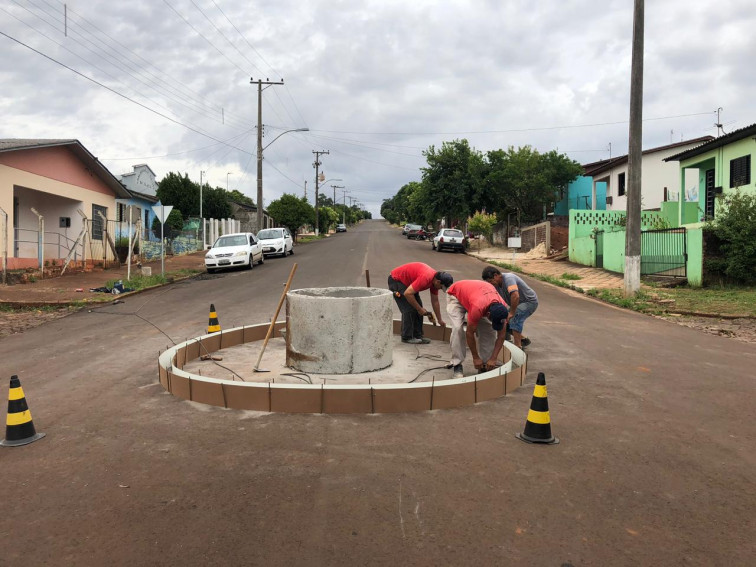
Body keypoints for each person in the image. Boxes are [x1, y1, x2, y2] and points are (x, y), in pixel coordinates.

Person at [446, 280, 509, 378]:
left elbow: (501, 335)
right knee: (458, 328)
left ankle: (486, 364)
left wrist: (493, 358)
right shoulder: (478, 307)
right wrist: (475, 357)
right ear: (488, 314)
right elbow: (470, 333)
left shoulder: (503, 309)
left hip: (476, 296)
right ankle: (457, 363)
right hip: (456, 296)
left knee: (489, 330)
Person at [388, 262, 453, 344]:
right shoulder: (426, 278)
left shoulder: (434, 283)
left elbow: (435, 301)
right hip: (396, 280)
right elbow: (407, 294)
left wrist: (439, 320)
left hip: (409, 285)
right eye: (441, 287)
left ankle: (417, 336)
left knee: (420, 309)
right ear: (438, 282)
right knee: (410, 309)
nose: (440, 289)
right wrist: (419, 309)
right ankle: (407, 337)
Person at [482, 266, 538, 348]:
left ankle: (518, 347)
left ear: (496, 275)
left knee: (515, 318)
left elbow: (515, 296)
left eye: (491, 281)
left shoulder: (509, 278)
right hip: (517, 304)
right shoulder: (496, 285)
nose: (490, 283)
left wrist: (512, 312)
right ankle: (523, 340)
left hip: (529, 301)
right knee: (503, 319)